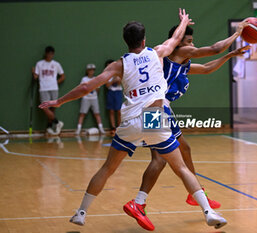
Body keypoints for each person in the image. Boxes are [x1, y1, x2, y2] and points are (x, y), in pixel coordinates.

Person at [39, 9, 227, 231]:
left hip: (129, 121)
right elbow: (176, 38)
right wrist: (183, 21)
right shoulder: (157, 53)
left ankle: (81, 213)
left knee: (108, 168)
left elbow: (87, 86)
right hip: (153, 116)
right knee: (181, 167)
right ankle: (208, 212)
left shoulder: (119, 64)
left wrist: (59, 101)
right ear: (144, 40)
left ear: (126, 42)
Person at [127, 21, 250, 216]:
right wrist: (237, 35)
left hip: (154, 109)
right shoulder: (179, 54)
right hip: (157, 109)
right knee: (162, 159)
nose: (192, 46)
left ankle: (189, 194)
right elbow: (213, 49)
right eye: (189, 42)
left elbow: (208, 68)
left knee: (179, 151)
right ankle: (141, 202)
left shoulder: (181, 63)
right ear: (178, 45)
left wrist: (229, 55)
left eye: (193, 42)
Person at [32, 46, 65, 135]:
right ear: (46, 54)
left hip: (54, 88)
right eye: (48, 53)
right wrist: (34, 73)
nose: (50, 55)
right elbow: (36, 77)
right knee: (44, 107)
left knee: (52, 108)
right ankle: (57, 122)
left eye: (52, 54)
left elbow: (63, 76)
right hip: (43, 88)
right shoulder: (39, 64)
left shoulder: (56, 64)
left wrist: (55, 82)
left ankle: (49, 128)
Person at [75, 64, 106, 135]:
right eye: (90, 70)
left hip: (94, 98)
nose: (91, 71)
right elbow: (82, 89)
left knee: (97, 113)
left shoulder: (96, 78)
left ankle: (101, 129)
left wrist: (94, 88)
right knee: (82, 113)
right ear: (87, 71)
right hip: (86, 98)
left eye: (93, 70)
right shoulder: (84, 79)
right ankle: (78, 129)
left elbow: (98, 90)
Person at [104, 59, 123, 134]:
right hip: (110, 92)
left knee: (118, 110)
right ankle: (113, 127)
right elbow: (107, 85)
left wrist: (115, 79)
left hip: (118, 92)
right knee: (111, 110)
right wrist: (113, 80)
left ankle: (119, 126)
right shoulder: (106, 74)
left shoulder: (118, 73)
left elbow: (119, 82)